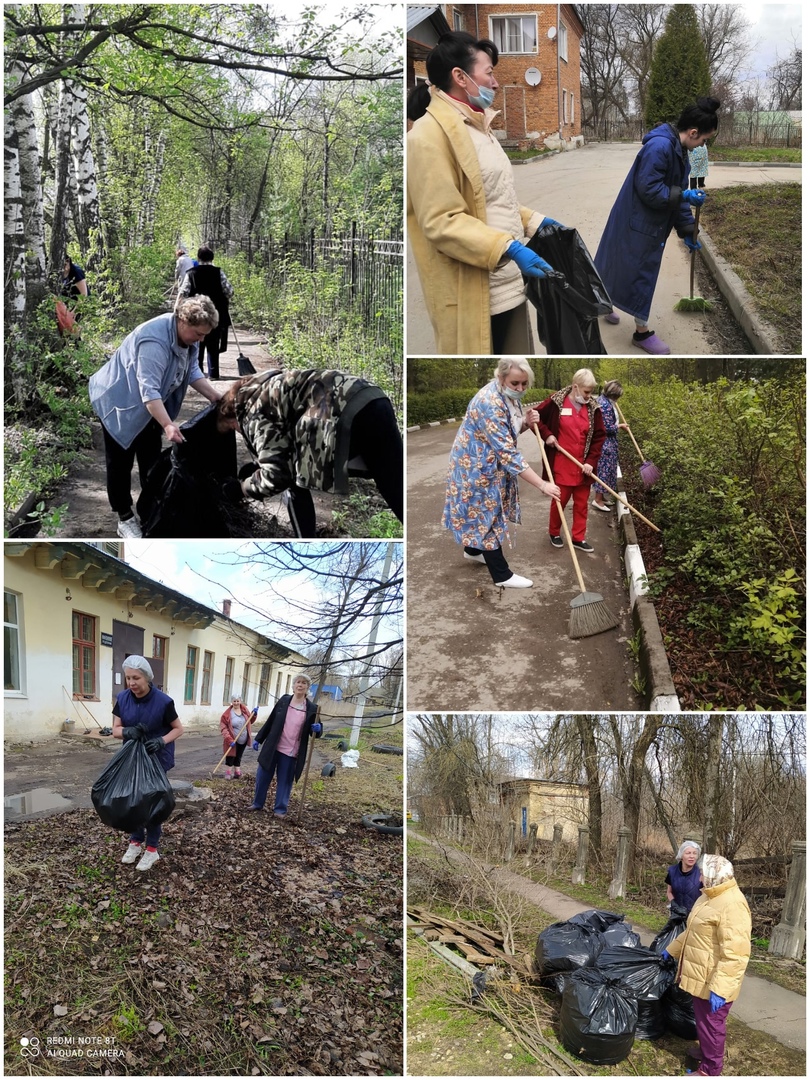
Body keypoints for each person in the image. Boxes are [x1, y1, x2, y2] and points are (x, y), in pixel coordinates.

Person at [407, 31, 567, 354]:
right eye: (489, 73)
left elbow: (491, 197)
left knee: (520, 366)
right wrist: (509, 248)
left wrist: (537, 222)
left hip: (508, 281)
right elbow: (442, 221)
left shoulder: (479, 128)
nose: (495, 83)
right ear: (460, 77)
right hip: (476, 291)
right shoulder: (427, 136)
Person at [88, 295, 223, 538]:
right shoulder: (154, 341)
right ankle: (125, 518)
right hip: (119, 403)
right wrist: (168, 425)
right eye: (198, 334)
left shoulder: (189, 338)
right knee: (120, 463)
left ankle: (151, 511)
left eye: (204, 336)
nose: (201, 340)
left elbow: (192, 370)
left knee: (151, 463)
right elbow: (148, 391)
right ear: (182, 321)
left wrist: (215, 397)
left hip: (148, 406)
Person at [595, 97, 720, 355]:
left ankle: (604, 304)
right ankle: (641, 333)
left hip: (644, 220)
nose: (703, 145)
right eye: (704, 140)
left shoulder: (679, 150)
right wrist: (683, 196)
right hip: (638, 220)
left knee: (620, 265)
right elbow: (650, 189)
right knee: (640, 272)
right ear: (694, 132)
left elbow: (677, 191)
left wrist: (688, 229)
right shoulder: (661, 147)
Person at [213, 368, 403, 537]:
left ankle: (305, 539)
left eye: (232, 428)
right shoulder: (266, 385)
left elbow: (278, 475)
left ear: (231, 415)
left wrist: (241, 489)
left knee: (293, 481)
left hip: (340, 413)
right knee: (394, 483)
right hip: (371, 396)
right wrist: (259, 466)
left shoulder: (251, 412)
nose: (239, 431)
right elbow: (284, 441)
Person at [443, 358, 561, 588]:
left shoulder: (508, 397)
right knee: (488, 513)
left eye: (524, 384)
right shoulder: (489, 402)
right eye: (515, 383)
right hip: (475, 467)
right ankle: (501, 575)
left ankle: (473, 550)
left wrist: (527, 422)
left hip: (487, 463)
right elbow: (508, 454)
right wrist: (542, 484)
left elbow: (510, 431)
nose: (520, 389)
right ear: (501, 377)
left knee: (483, 512)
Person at [662, 854, 751, 1077]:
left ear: (715, 875)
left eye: (703, 873)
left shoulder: (732, 905)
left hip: (714, 979)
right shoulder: (709, 896)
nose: (699, 877)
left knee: (712, 1026)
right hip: (701, 974)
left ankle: (710, 1071)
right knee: (704, 1023)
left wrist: (721, 989)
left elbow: (736, 954)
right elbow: (694, 933)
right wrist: (671, 950)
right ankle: (706, 1053)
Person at [113, 655, 183, 872]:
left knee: (151, 803)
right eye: (128, 678)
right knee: (133, 800)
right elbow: (115, 729)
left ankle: (152, 849)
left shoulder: (163, 701)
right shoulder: (123, 698)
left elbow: (178, 728)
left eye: (136, 678)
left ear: (147, 678)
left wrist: (161, 741)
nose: (132, 683)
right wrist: (127, 732)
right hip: (132, 758)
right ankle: (135, 841)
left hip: (155, 759)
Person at [532, 368, 606, 552]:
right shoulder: (556, 401)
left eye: (591, 392)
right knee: (559, 501)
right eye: (586, 392)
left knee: (581, 504)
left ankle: (578, 538)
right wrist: (547, 435)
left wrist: (590, 461)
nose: (589, 396)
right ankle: (554, 533)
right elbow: (534, 418)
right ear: (575, 386)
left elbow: (599, 436)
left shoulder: (594, 408)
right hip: (561, 464)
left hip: (584, 466)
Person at [247, 676, 323, 816]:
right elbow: (271, 720)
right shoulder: (284, 701)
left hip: (291, 751)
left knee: (285, 781)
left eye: (304, 683)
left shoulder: (312, 708)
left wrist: (318, 729)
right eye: (298, 682)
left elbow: (315, 732)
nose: (300, 685)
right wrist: (259, 738)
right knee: (263, 776)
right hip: (273, 747)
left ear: (308, 688)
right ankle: (257, 803)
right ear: (293, 686)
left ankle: (280, 809)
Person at [178, 245, 235, 379]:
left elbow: (183, 292)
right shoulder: (218, 272)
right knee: (213, 343)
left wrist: (179, 308)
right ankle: (214, 373)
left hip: (195, 313)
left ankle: (197, 373)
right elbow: (229, 292)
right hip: (215, 313)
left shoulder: (191, 273)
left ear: (198, 258)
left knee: (198, 342)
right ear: (212, 258)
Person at [592, 380, 628, 513]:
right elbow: (606, 428)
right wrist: (619, 426)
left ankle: (601, 497)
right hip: (605, 443)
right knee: (604, 471)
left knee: (606, 470)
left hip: (608, 442)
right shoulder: (605, 405)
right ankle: (598, 500)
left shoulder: (605, 401)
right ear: (614, 395)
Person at [220, 696, 256, 779]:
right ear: (231, 702)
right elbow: (223, 728)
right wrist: (229, 739)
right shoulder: (227, 714)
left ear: (240, 701)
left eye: (237, 701)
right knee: (230, 755)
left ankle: (237, 772)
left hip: (243, 738)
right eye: (234, 701)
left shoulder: (244, 710)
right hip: (232, 739)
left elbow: (251, 721)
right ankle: (228, 772)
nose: (236, 703)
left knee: (239, 755)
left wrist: (254, 715)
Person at [666, 840, 704, 915]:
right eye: (688, 853)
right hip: (676, 914)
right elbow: (669, 892)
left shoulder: (701, 873)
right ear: (681, 855)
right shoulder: (672, 871)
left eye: (695, 853)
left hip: (694, 915)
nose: (692, 856)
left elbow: (705, 896)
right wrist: (673, 903)